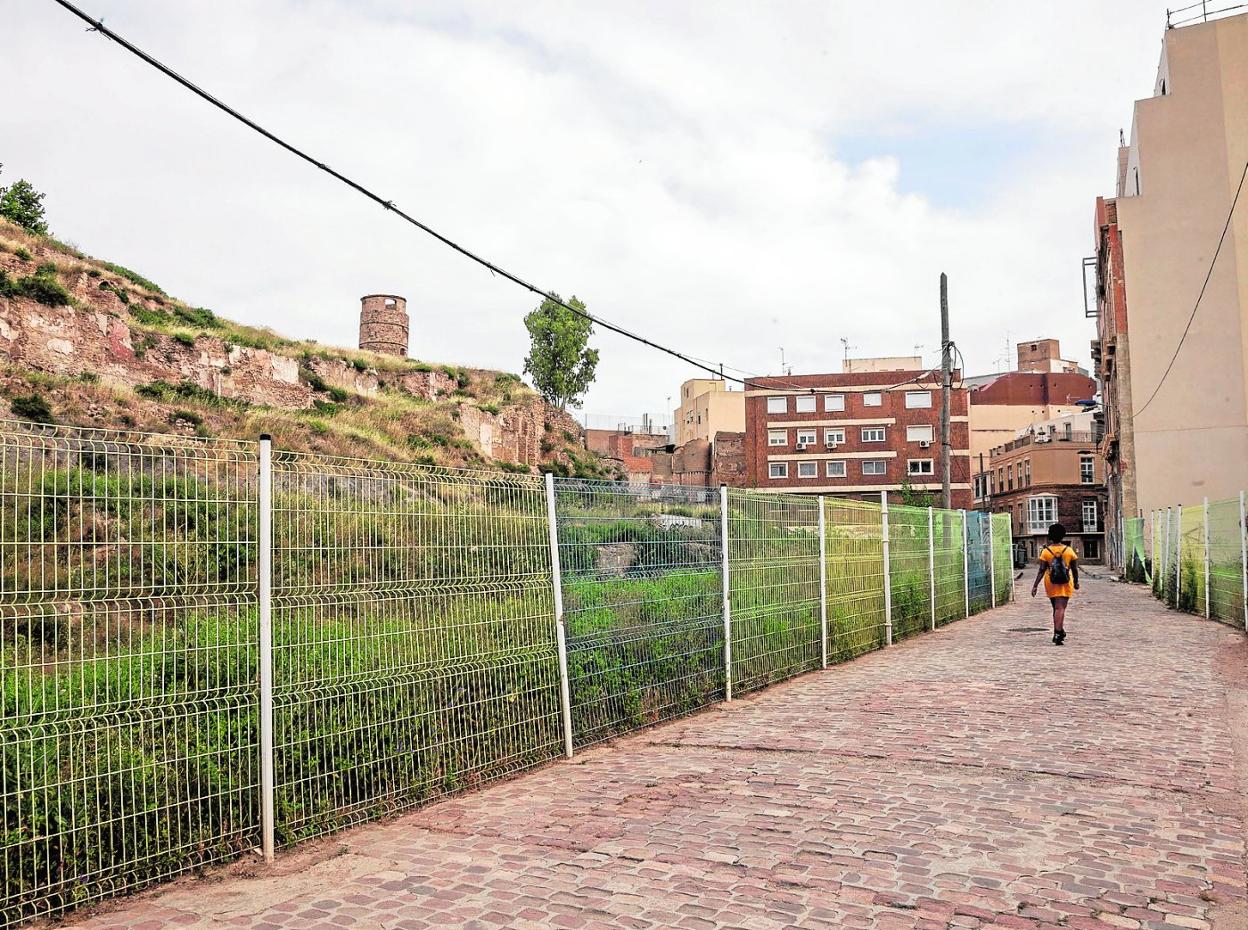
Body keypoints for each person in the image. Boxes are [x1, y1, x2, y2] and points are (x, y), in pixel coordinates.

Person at [1030, 523, 1079, 645]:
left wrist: (1035, 585)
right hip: (1065, 582)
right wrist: (1076, 582)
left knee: (1056, 608)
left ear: (1050, 536)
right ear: (1063, 536)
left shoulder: (1046, 552)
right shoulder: (1069, 551)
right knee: (1060, 608)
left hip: (1050, 582)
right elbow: (1075, 569)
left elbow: (1041, 570)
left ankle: (1059, 631)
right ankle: (1058, 633)